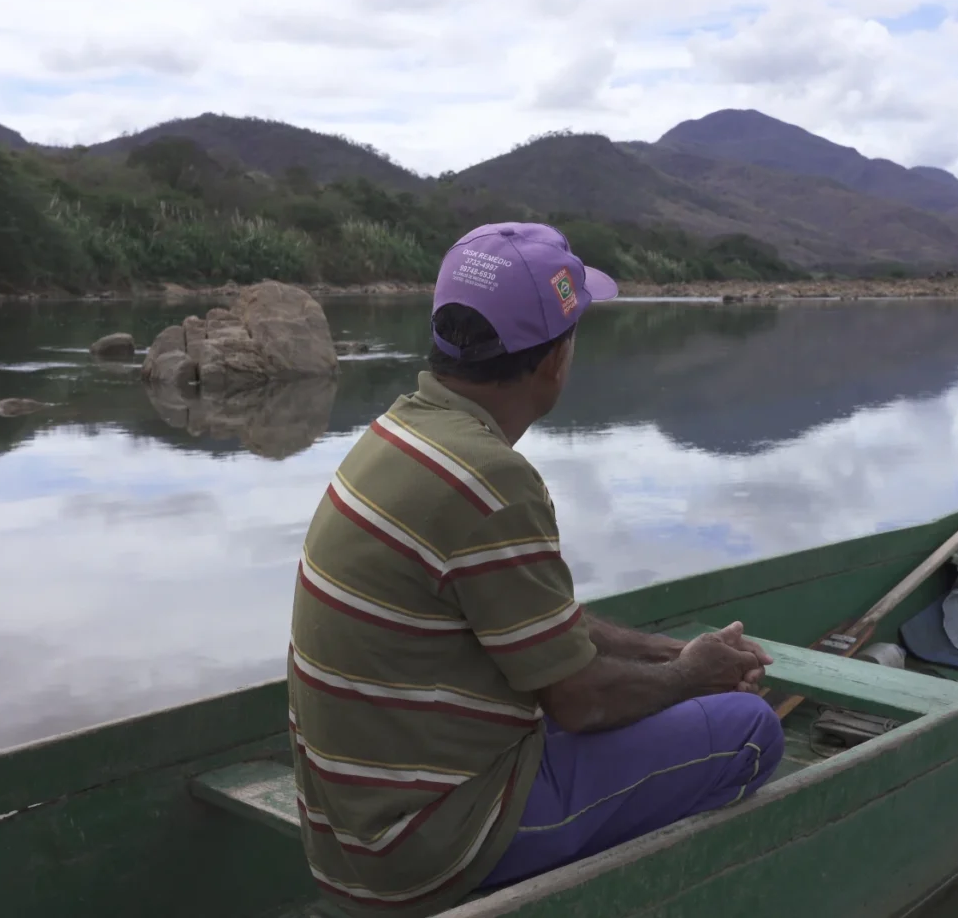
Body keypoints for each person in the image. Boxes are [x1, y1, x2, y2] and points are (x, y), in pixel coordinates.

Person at [287, 221, 785, 917]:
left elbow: (533, 624)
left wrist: (666, 652)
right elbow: (580, 704)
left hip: (354, 839)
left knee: (682, 698)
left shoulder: (397, 435)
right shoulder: (492, 481)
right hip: (438, 848)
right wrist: (691, 679)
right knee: (750, 728)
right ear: (555, 360)